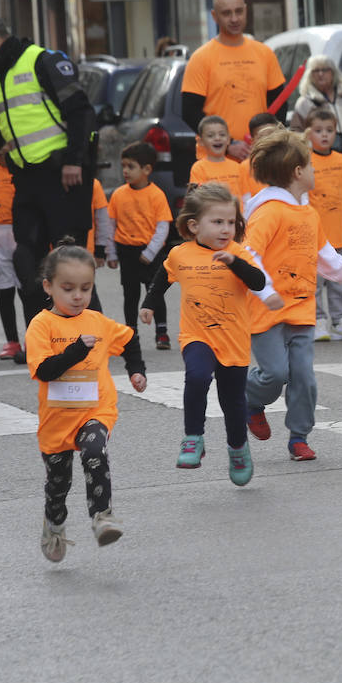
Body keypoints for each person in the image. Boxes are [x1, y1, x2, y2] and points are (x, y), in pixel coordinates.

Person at [243, 130, 342, 461]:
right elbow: (249, 255)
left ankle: (298, 437)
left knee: (303, 377)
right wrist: (267, 291)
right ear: (297, 172)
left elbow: (326, 256)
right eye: (310, 165)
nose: (315, 170)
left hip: (302, 309)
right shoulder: (269, 211)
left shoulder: (307, 213)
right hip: (268, 310)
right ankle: (251, 398)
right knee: (276, 373)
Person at [0, 13, 95, 317]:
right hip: (27, 180)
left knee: (70, 264)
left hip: (63, 177)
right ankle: (41, 333)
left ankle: (91, 333)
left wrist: (74, 161)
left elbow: (81, 112)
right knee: (26, 260)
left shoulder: (41, 62)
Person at [142, 184, 278, 484]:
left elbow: (257, 282)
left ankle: (238, 447)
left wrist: (235, 263)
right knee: (198, 376)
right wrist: (149, 304)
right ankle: (193, 438)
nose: (225, 229)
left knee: (233, 402)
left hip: (233, 340)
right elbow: (162, 278)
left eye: (231, 222)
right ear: (194, 225)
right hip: (196, 335)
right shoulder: (180, 254)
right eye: (217, 222)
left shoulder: (237, 252)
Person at [28, 242, 148, 562]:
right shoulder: (42, 325)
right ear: (48, 287)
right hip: (56, 419)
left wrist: (136, 370)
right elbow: (44, 370)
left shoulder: (97, 320)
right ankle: (54, 522)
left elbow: (129, 338)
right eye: (68, 289)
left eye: (86, 288)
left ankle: (102, 516)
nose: (78, 296)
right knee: (58, 484)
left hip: (95, 410)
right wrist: (76, 351)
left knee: (95, 449)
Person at [181, 0, 286, 160]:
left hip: (259, 158)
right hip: (216, 161)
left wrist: (267, 140)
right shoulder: (200, 58)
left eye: (238, 11)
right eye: (227, 13)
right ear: (214, 16)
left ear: (246, 10)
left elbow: (279, 104)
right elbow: (190, 112)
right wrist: (228, 144)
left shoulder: (264, 53)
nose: (234, 19)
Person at [304, 107, 342, 342]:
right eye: (318, 131)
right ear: (308, 134)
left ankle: (340, 322)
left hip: (338, 234)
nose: (325, 135)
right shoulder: (305, 160)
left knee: (339, 282)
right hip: (314, 237)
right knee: (316, 283)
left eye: (329, 130)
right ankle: (318, 322)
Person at [105, 142, 173, 349]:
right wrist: (111, 253)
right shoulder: (118, 194)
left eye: (131, 166)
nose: (125, 171)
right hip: (127, 251)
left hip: (150, 252)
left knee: (155, 293)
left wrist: (151, 251)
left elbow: (162, 226)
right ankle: (130, 333)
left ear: (147, 169)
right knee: (130, 295)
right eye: (123, 166)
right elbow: (110, 225)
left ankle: (162, 332)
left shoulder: (156, 195)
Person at [0, 144, 27, 361]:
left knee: (27, 287)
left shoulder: (24, 169)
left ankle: (33, 338)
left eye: (5, 152)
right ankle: (11, 340)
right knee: (5, 288)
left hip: (21, 230)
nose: (1, 156)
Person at [292, 54, 342, 145]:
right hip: (320, 156)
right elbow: (296, 135)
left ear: (333, 73)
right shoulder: (304, 103)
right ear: (309, 74)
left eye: (325, 70)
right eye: (316, 70)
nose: (320, 74)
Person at [189, 115, 245, 197]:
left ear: (229, 139)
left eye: (222, 135)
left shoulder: (238, 167)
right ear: (201, 141)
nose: (217, 138)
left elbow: (246, 195)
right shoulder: (198, 168)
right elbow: (196, 197)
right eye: (210, 135)